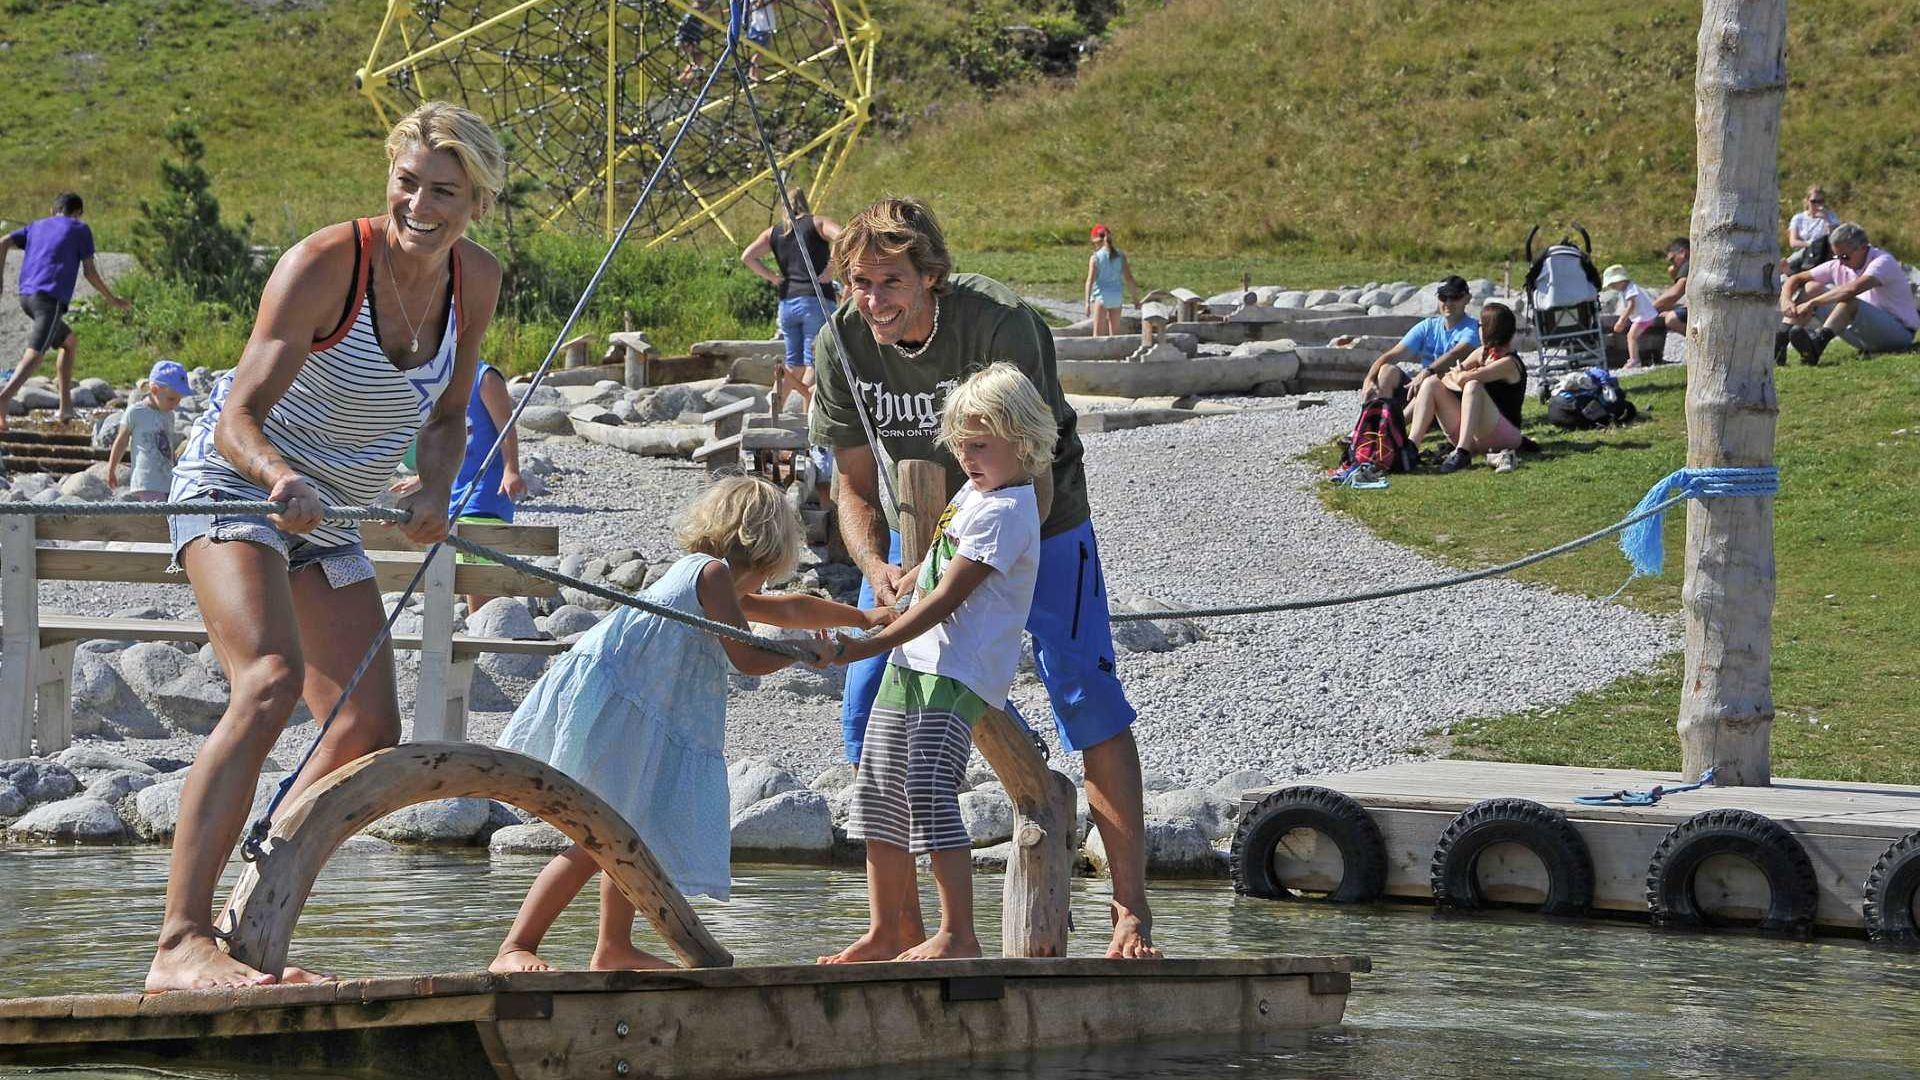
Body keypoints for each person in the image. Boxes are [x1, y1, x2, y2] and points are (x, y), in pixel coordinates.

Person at [144, 102, 506, 992]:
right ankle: (178, 941)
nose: (420, 205)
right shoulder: (324, 263)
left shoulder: (478, 280)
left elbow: (452, 416)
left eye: (446, 191)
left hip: (332, 512)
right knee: (268, 681)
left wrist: (431, 487)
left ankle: (242, 924)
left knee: (366, 729)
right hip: (238, 484)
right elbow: (235, 419)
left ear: (479, 200)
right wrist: (278, 479)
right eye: (407, 182)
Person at [809, 196, 1161, 960]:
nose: (874, 300)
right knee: (869, 708)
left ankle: (1129, 910)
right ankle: (895, 924)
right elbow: (852, 484)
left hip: (1035, 521)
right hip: (915, 533)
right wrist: (879, 567)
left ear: (930, 274)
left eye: (891, 280)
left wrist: (967, 573)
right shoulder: (838, 343)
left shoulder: (1002, 323)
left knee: (1083, 694)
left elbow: (1031, 466)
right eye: (859, 283)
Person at [490, 477, 877, 973]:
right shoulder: (711, 575)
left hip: (642, 709)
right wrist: (804, 654)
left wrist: (863, 617)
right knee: (597, 835)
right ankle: (516, 946)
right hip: (625, 707)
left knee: (629, 830)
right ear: (766, 546)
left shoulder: (716, 580)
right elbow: (745, 657)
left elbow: (791, 608)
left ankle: (614, 948)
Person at [820, 363, 1051, 963]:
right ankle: (886, 930)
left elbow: (952, 596)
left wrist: (870, 644)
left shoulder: (1008, 510)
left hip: (957, 671)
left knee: (927, 788)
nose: (967, 459)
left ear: (1021, 439)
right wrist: (902, 580)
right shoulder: (975, 493)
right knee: (877, 790)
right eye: (961, 447)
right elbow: (934, 569)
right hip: (914, 658)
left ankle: (958, 934)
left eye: (979, 447)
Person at [391, 359, 526, 612]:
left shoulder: (485, 378)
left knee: (479, 575)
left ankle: (483, 629)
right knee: (466, 572)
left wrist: (511, 469)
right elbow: (450, 445)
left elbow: (506, 426)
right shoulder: (443, 381)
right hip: (455, 496)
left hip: (486, 493)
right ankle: (482, 624)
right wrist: (423, 480)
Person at [0, 192, 133, 429]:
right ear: (78, 213)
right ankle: (3, 400)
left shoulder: (36, 225)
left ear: (54, 210)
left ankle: (65, 407)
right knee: (35, 354)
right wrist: (112, 299)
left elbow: (3, 242)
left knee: (69, 342)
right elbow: (90, 272)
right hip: (49, 299)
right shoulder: (80, 229)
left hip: (26, 297)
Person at [741, 190, 842, 418]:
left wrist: (774, 278)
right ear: (805, 203)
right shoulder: (816, 223)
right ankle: (809, 418)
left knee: (792, 363)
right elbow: (844, 236)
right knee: (815, 362)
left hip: (787, 303)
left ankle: (772, 412)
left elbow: (747, 256)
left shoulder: (775, 232)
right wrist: (831, 267)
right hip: (815, 300)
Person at [1408, 302, 1530, 474]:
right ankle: (1410, 447)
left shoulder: (1509, 363)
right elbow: (1449, 378)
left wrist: (1461, 376)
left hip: (1504, 436)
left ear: (1490, 328)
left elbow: (1465, 378)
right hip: (1476, 434)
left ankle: (1462, 452)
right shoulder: (1482, 353)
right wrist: (1459, 377)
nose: (1477, 328)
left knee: (1473, 386)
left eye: (1480, 325)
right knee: (1431, 383)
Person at [1775, 222, 1918, 365]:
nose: (1840, 262)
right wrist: (1786, 299)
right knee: (1812, 287)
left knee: (1849, 301)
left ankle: (1817, 345)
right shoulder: (1840, 263)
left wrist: (1812, 303)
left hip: (1899, 335)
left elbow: (1852, 289)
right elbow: (1797, 278)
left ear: (1863, 248)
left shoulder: (1882, 261)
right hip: (1866, 335)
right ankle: (1780, 342)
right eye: (1835, 256)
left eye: (1844, 256)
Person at [1357, 275, 1479, 405]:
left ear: (1467, 298)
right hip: (1423, 387)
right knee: (1387, 370)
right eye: (1443, 297)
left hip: (1449, 393)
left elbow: (1455, 354)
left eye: (1455, 297)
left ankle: (1395, 420)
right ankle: (1382, 418)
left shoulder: (1472, 328)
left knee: (1431, 382)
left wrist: (1427, 371)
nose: (1448, 303)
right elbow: (1393, 355)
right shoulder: (1428, 326)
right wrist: (1369, 380)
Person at [105, 359, 190, 501]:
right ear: (155, 390)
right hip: (146, 481)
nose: (175, 404)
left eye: (178, 400)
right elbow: (122, 440)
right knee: (156, 519)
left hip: (167, 480)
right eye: (171, 399)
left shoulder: (169, 415)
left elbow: (167, 446)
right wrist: (111, 469)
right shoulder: (136, 412)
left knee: (167, 519)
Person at [1083, 225, 1140, 336]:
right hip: (1117, 297)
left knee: (1098, 335)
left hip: (1101, 297)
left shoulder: (1095, 257)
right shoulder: (1121, 256)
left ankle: (1099, 353)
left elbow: (1090, 280)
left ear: (1096, 241)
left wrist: (1087, 303)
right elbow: (1129, 279)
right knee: (1115, 334)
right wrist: (1135, 300)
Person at [1600, 264, 1659, 369]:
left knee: (1631, 336)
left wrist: (1622, 320)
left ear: (1621, 281)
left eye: (1613, 285)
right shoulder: (1627, 289)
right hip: (1643, 317)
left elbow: (1631, 305)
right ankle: (1634, 359)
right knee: (1631, 336)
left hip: (1644, 317)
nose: (1612, 288)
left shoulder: (1631, 288)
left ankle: (1635, 360)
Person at [1786, 185, 1840, 273]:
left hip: (1823, 252)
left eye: (1820, 201)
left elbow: (1834, 239)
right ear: (1807, 201)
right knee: (1803, 253)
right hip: (1804, 250)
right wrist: (1811, 245)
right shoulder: (1799, 218)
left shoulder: (1831, 217)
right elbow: (1793, 242)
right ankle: (1788, 268)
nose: (1817, 205)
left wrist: (1827, 220)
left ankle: (1790, 269)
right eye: (1813, 201)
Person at [1651, 237, 1689, 335]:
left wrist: (1649, 309)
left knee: (1672, 318)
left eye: (1673, 259)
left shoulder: (1688, 264)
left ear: (1683, 252)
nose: (1673, 264)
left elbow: (1675, 293)